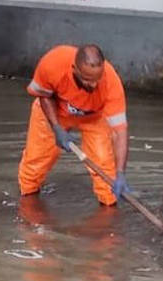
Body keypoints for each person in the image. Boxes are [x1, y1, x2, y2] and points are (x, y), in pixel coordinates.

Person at [18, 44, 131, 206]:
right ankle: (28, 205)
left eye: (96, 80)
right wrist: (56, 128)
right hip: (55, 112)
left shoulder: (111, 84)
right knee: (36, 161)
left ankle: (107, 219)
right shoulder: (54, 63)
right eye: (87, 79)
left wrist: (120, 172)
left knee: (106, 174)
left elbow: (121, 132)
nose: (92, 85)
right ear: (74, 69)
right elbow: (43, 94)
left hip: (94, 117)